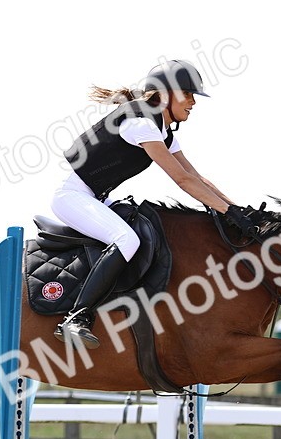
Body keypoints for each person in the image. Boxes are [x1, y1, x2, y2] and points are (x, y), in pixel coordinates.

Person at [52, 59, 255, 348]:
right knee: (127, 239)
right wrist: (227, 212)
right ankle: (75, 318)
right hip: (72, 196)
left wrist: (237, 209)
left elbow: (195, 176)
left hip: (97, 197)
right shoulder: (141, 125)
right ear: (166, 93)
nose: (193, 102)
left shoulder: (163, 131)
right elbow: (182, 181)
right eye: (188, 94)